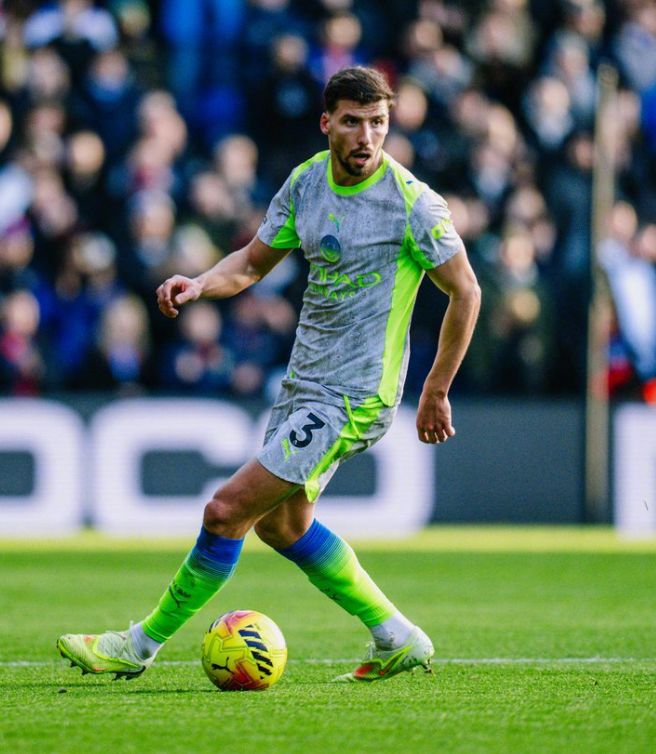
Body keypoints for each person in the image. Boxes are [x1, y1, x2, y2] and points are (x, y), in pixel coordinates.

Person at [57, 66, 481, 683]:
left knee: (225, 510)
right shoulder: (307, 183)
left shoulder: (413, 203)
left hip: (353, 395)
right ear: (327, 123)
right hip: (304, 386)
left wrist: (436, 389)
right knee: (283, 526)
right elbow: (253, 264)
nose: (366, 136)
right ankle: (397, 636)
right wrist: (201, 283)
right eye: (353, 122)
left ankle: (137, 645)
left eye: (378, 123)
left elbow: (466, 291)